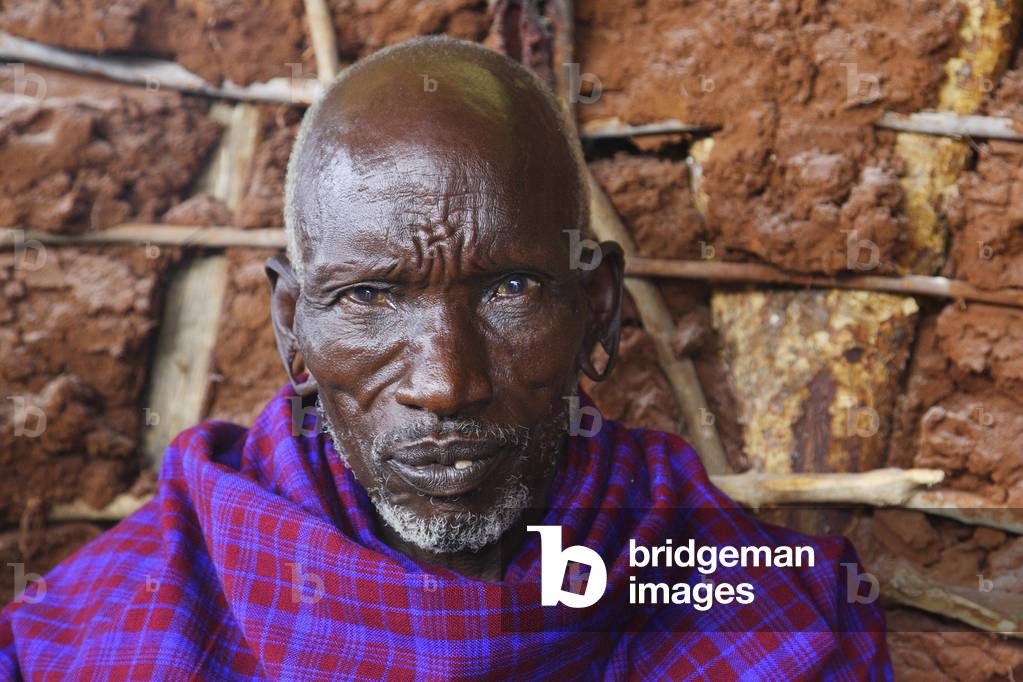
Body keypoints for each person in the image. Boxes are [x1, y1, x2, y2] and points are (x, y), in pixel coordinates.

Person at [0, 36, 892, 680]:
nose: (445, 383)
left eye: (510, 291)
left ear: (599, 311)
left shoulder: (768, 621)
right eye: (368, 296)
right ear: (290, 327)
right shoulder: (102, 631)